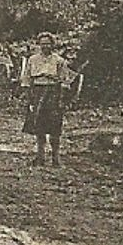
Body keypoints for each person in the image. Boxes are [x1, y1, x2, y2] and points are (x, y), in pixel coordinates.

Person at [19, 32, 76, 166]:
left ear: (52, 45)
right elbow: (26, 80)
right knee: (39, 126)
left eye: (48, 44)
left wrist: (61, 99)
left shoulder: (59, 61)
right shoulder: (33, 60)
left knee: (55, 126)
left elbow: (65, 82)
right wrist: (29, 99)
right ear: (39, 45)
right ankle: (40, 157)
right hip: (38, 92)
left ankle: (56, 158)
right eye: (43, 44)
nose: (45, 46)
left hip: (53, 93)